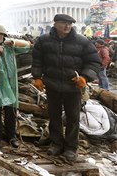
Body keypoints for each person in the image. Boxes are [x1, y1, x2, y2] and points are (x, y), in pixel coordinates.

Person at [31, 14, 100, 162]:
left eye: (70, 23)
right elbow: (37, 60)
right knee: (54, 116)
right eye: (63, 23)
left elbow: (94, 62)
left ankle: (71, 148)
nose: (67, 26)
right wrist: (37, 77)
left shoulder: (82, 41)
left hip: (73, 86)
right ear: (55, 24)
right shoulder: (44, 41)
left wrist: (85, 77)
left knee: (73, 118)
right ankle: (57, 144)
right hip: (52, 84)